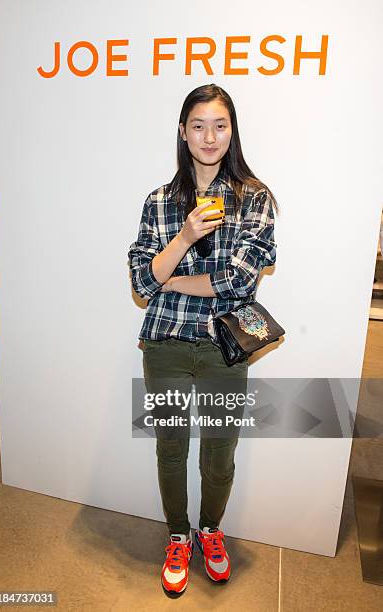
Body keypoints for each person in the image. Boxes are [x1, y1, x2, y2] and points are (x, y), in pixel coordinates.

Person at [127, 83, 278, 597]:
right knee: (170, 448)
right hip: (166, 343)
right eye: (198, 125)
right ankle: (178, 535)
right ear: (183, 133)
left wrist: (166, 274)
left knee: (220, 451)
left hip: (224, 346)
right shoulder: (161, 201)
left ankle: (210, 530)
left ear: (232, 131)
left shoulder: (255, 198)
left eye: (219, 125)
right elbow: (141, 284)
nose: (209, 136)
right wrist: (185, 236)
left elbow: (239, 282)